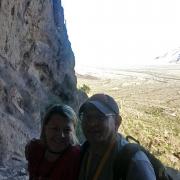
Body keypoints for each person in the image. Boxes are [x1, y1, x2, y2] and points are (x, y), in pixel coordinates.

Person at [78, 93, 156, 180]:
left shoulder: (134, 163)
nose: (92, 123)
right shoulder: (84, 151)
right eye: (87, 117)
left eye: (100, 117)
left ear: (117, 122)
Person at [25, 104, 80, 180]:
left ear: (74, 132)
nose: (61, 135)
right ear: (45, 128)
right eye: (55, 128)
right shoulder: (35, 148)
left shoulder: (77, 158)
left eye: (67, 130)